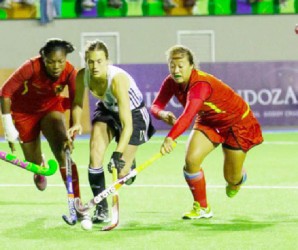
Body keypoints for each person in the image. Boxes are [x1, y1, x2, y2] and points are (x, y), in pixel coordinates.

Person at [150, 45, 263, 220]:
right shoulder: (171, 82)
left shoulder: (200, 85)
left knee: (232, 180)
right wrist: (162, 113)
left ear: (191, 66)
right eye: (172, 65)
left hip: (237, 123)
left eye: (181, 66)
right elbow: (155, 106)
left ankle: (239, 177)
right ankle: (202, 208)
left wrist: (171, 137)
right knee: (191, 160)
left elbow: (188, 115)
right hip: (209, 121)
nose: (176, 70)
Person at [67, 40, 155, 224]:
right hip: (107, 110)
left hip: (134, 114)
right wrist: (76, 123)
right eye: (90, 61)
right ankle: (101, 208)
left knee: (122, 172)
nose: (94, 66)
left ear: (107, 61)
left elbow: (127, 124)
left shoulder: (117, 80)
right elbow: (76, 102)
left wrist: (118, 153)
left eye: (99, 61)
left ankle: (128, 166)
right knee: (95, 154)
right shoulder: (83, 75)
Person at [0, 38, 81, 206]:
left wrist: (71, 135)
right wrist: (8, 127)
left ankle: (76, 201)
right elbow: (5, 92)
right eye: (51, 62)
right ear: (43, 58)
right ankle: (40, 165)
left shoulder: (71, 72)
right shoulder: (31, 66)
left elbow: (76, 102)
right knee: (33, 163)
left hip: (50, 109)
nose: (56, 66)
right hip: (23, 113)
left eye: (61, 61)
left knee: (62, 153)